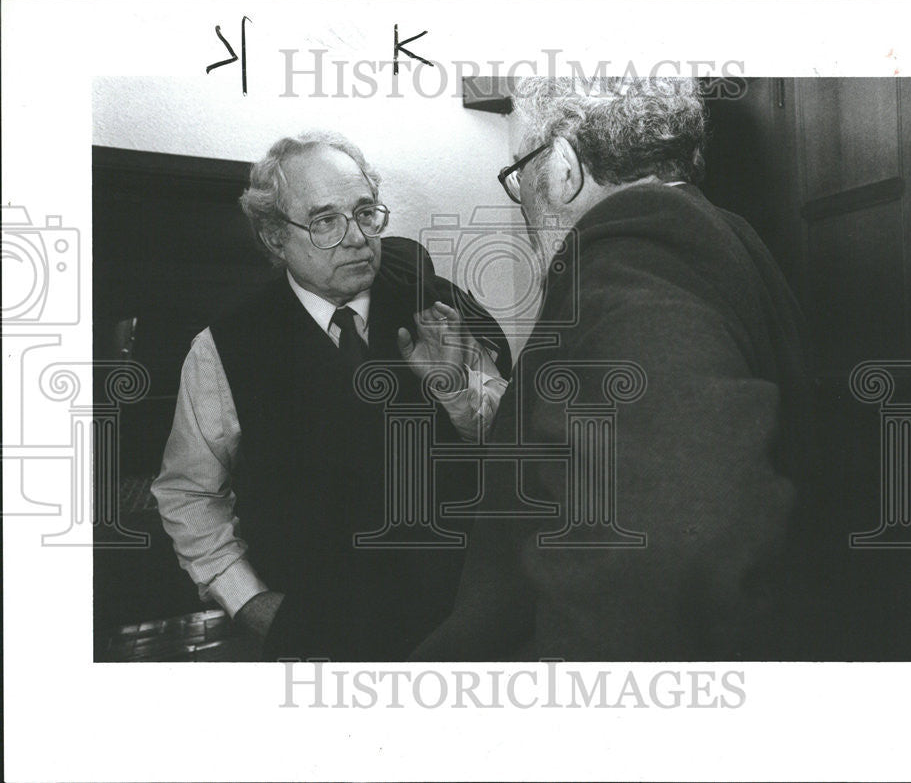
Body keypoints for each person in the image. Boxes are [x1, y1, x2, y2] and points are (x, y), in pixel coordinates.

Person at [411, 78, 816, 661]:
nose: (520, 198)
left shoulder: (630, 263)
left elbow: (681, 538)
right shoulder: (723, 237)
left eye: (519, 172)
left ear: (565, 167)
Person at [152, 131, 510, 660]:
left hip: (463, 621)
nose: (356, 238)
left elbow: (510, 443)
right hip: (325, 635)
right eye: (324, 221)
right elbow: (188, 493)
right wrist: (247, 601)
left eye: (365, 212)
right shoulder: (224, 349)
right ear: (276, 237)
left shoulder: (429, 304)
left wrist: (458, 395)